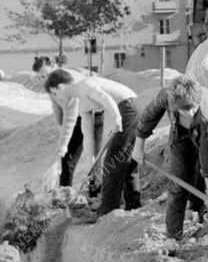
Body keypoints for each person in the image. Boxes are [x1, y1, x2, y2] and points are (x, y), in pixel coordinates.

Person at [134, 76, 208, 244]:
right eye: (182, 110)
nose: (187, 113)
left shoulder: (207, 118)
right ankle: (173, 237)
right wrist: (138, 147)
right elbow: (149, 116)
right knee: (178, 185)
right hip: (180, 136)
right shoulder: (167, 95)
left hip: (206, 135)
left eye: (190, 108)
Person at [44, 70, 140, 214]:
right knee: (124, 158)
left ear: (61, 87)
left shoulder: (84, 85)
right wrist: (91, 167)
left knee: (112, 161)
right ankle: (133, 205)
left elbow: (105, 97)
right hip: (124, 109)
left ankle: (108, 210)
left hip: (127, 106)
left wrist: (116, 118)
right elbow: (87, 136)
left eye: (55, 94)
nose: (57, 99)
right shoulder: (80, 103)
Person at [36, 56, 89, 189]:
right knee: (67, 160)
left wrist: (64, 145)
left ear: (52, 66)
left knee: (89, 156)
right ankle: (64, 193)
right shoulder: (52, 84)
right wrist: (60, 129)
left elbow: (70, 119)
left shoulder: (66, 83)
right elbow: (57, 108)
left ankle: (94, 192)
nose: (44, 79)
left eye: (45, 74)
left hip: (89, 115)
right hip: (76, 117)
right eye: (41, 76)